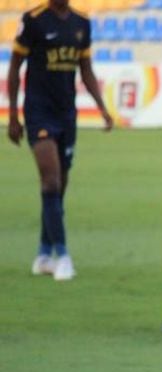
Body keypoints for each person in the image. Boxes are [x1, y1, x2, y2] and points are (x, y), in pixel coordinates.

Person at [6, 0, 113, 281]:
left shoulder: (81, 23)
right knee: (51, 180)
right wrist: (14, 116)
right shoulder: (33, 19)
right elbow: (15, 67)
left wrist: (102, 107)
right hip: (39, 112)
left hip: (66, 113)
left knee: (59, 186)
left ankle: (43, 254)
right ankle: (63, 256)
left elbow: (86, 69)